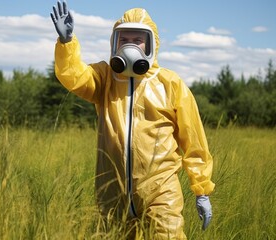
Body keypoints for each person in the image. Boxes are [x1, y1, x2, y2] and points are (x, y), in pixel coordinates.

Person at [50, 1, 215, 239]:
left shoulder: (170, 84)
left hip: (161, 191)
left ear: (151, 44)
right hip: (112, 193)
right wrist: (67, 44)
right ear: (114, 42)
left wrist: (202, 190)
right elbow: (74, 77)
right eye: (124, 39)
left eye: (137, 39)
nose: (130, 45)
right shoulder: (104, 78)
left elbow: (194, 141)